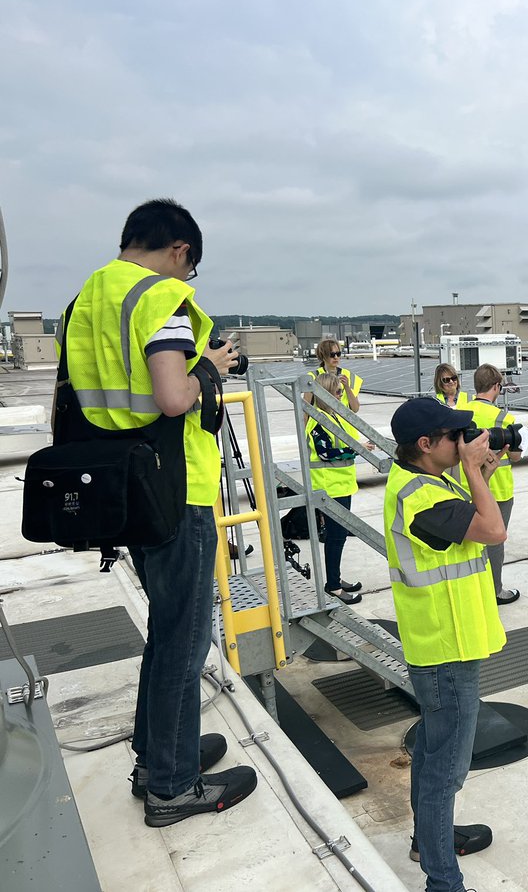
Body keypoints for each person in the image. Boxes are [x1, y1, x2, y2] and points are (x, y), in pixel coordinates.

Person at [62, 199, 256, 825]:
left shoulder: (87, 299)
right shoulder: (161, 299)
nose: (186, 280)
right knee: (185, 636)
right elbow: (174, 396)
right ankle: (171, 786)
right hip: (178, 488)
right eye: (189, 267)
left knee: (166, 630)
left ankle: (157, 754)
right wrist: (212, 365)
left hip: (124, 488)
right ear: (179, 251)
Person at [385, 397, 508, 892]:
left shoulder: (431, 480)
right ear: (425, 444)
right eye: (455, 436)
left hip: (449, 642)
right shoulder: (419, 496)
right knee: (445, 770)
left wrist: (482, 472)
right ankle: (442, 880)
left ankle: (426, 839)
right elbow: (493, 531)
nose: (464, 442)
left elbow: (471, 526)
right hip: (445, 649)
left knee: (435, 754)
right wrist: (476, 473)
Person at [456, 363, 523, 606]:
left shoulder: (460, 412)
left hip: (464, 486)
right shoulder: (505, 418)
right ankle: (495, 590)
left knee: (468, 542)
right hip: (498, 490)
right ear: (496, 386)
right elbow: (515, 456)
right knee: (494, 541)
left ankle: (470, 589)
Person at [307, 372, 374, 605]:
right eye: (337, 392)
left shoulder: (333, 416)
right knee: (335, 537)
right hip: (329, 487)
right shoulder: (318, 420)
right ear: (325, 394)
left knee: (339, 536)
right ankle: (333, 586)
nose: (340, 396)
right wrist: (357, 449)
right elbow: (326, 452)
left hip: (341, 484)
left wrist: (359, 446)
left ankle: (335, 579)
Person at [304, 339, 363, 414]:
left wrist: (347, 387)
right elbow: (305, 410)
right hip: (322, 423)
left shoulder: (348, 375)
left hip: (344, 423)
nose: (335, 357)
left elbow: (355, 409)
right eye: (332, 354)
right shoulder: (312, 377)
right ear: (323, 356)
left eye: (338, 354)